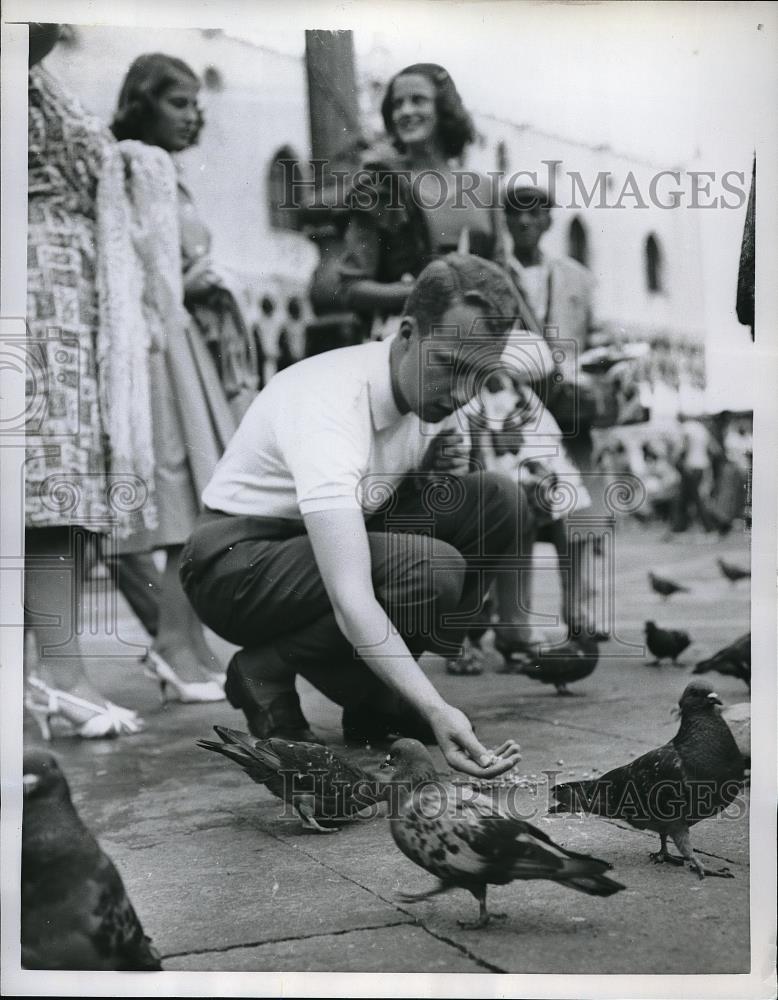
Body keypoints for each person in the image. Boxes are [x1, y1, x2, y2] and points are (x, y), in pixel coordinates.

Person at [180, 254, 526, 778]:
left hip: (315, 549)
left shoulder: (426, 387)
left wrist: (426, 478)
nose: (461, 394)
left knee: (499, 502)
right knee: (430, 568)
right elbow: (350, 594)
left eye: (479, 375)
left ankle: (372, 704)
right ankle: (267, 666)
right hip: (234, 563)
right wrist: (436, 708)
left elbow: (376, 506)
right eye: (450, 367)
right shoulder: (330, 400)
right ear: (406, 333)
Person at [104, 53, 262, 702]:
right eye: (178, 101)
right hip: (158, 343)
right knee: (182, 495)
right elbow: (131, 264)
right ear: (143, 101)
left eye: (196, 103)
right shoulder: (132, 165)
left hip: (186, 340)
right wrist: (196, 281)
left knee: (200, 495)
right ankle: (173, 643)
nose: (191, 114)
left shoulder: (167, 171)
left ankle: (185, 641)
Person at [24, 28, 155, 738]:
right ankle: (59, 674)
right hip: (37, 290)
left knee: (63, 491)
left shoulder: (39, 76)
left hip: (69, 295)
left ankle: (52, 672)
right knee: (48, 491)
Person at [499, 182, 609, 643]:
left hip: (569, 411)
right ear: (506, 222)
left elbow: (599, 336)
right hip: (511, 411)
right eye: (516, 214)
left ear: (548, 221)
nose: (525, 222)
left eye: (534, 214)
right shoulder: (491, 273)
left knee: (579, 511)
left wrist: (599, 368)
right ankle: (508, 620)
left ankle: (581, 612)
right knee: (511, 511)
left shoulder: (577, 278)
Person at [337, 62, 508, 337]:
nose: (405, 112)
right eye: (397, 104)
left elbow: (502, 278)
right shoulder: (380, 184)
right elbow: (351, 287)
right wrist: (420, 292)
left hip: (479, 340)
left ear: (443, 109)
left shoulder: (485, 189)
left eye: (418, 101)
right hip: (410, 342)